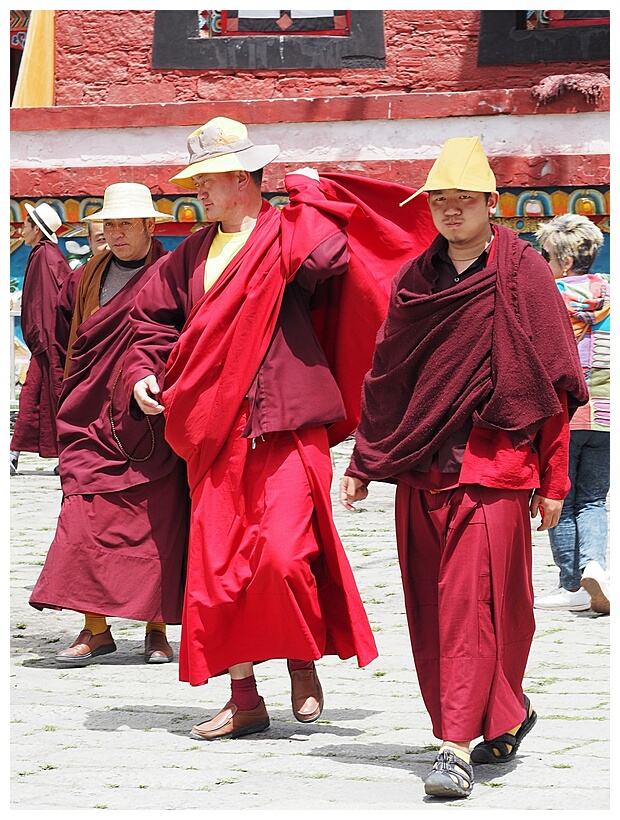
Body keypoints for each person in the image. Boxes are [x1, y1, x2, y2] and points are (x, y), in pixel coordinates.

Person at [339, 137, 588, 799]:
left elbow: (554, 382)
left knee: (473, 605)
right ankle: (506, 713)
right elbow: (389, 377)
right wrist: (365, 461)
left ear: (490, 203)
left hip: (495, 466)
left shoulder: (524, 273)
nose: (449, 212)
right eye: (439, 202)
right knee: (433, 608)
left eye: (462, 201)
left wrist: (555, 478)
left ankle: (453, 748)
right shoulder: (417, 281)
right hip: (423, 469)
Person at [123, 117, 379, 740]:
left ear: (242, 180)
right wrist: (140, 375)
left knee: (286, 556)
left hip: (285, 422)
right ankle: (244, 698)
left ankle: (301, 660)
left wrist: (306, 197)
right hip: (214, 428)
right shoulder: (189, 255)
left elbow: (331, 257)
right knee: (218, 570)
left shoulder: (283, 235)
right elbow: (149, 326)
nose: (198, 194)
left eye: (207, 182)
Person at [29, 183, 190, 666]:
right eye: (110, 225)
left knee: (155, 524)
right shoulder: (84, 278)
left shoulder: (172, 274)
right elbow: (63, 341)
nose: (115, 234)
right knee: (81, 519)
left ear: (149, 225)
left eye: (125, 224)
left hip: (146, 420)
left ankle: (156, 628)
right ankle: (94, 628)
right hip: (89, 419)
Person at [533, 214, 610, 614]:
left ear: (562, 260)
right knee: (594, 499)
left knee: (557, 493)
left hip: (567, 411)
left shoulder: (551, 295)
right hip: (609, 414)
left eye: (544, 254)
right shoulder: (612, 291)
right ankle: (594, 564)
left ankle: (570, 584)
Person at [10, 202, 71, 476]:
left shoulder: (44, 256)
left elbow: (46, 305)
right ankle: (14, 454)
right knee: (34, 398)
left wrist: (44, 342)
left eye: (26, 224)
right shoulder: (47, 254)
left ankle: (66, 456)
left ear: (37, 229)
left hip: (49, 344)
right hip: (48, 343)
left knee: (50, 399)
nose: (21, 229)